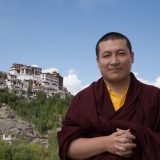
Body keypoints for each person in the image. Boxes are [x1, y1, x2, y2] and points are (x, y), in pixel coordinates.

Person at [57, 32, 160, 160]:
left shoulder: (155, 97)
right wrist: (106, 143)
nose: (114, 61)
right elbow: (67, 148)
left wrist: (138, 139)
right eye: (106, 55)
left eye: (121, 53)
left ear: (131, 57)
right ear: (98, 61)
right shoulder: (83, 99)